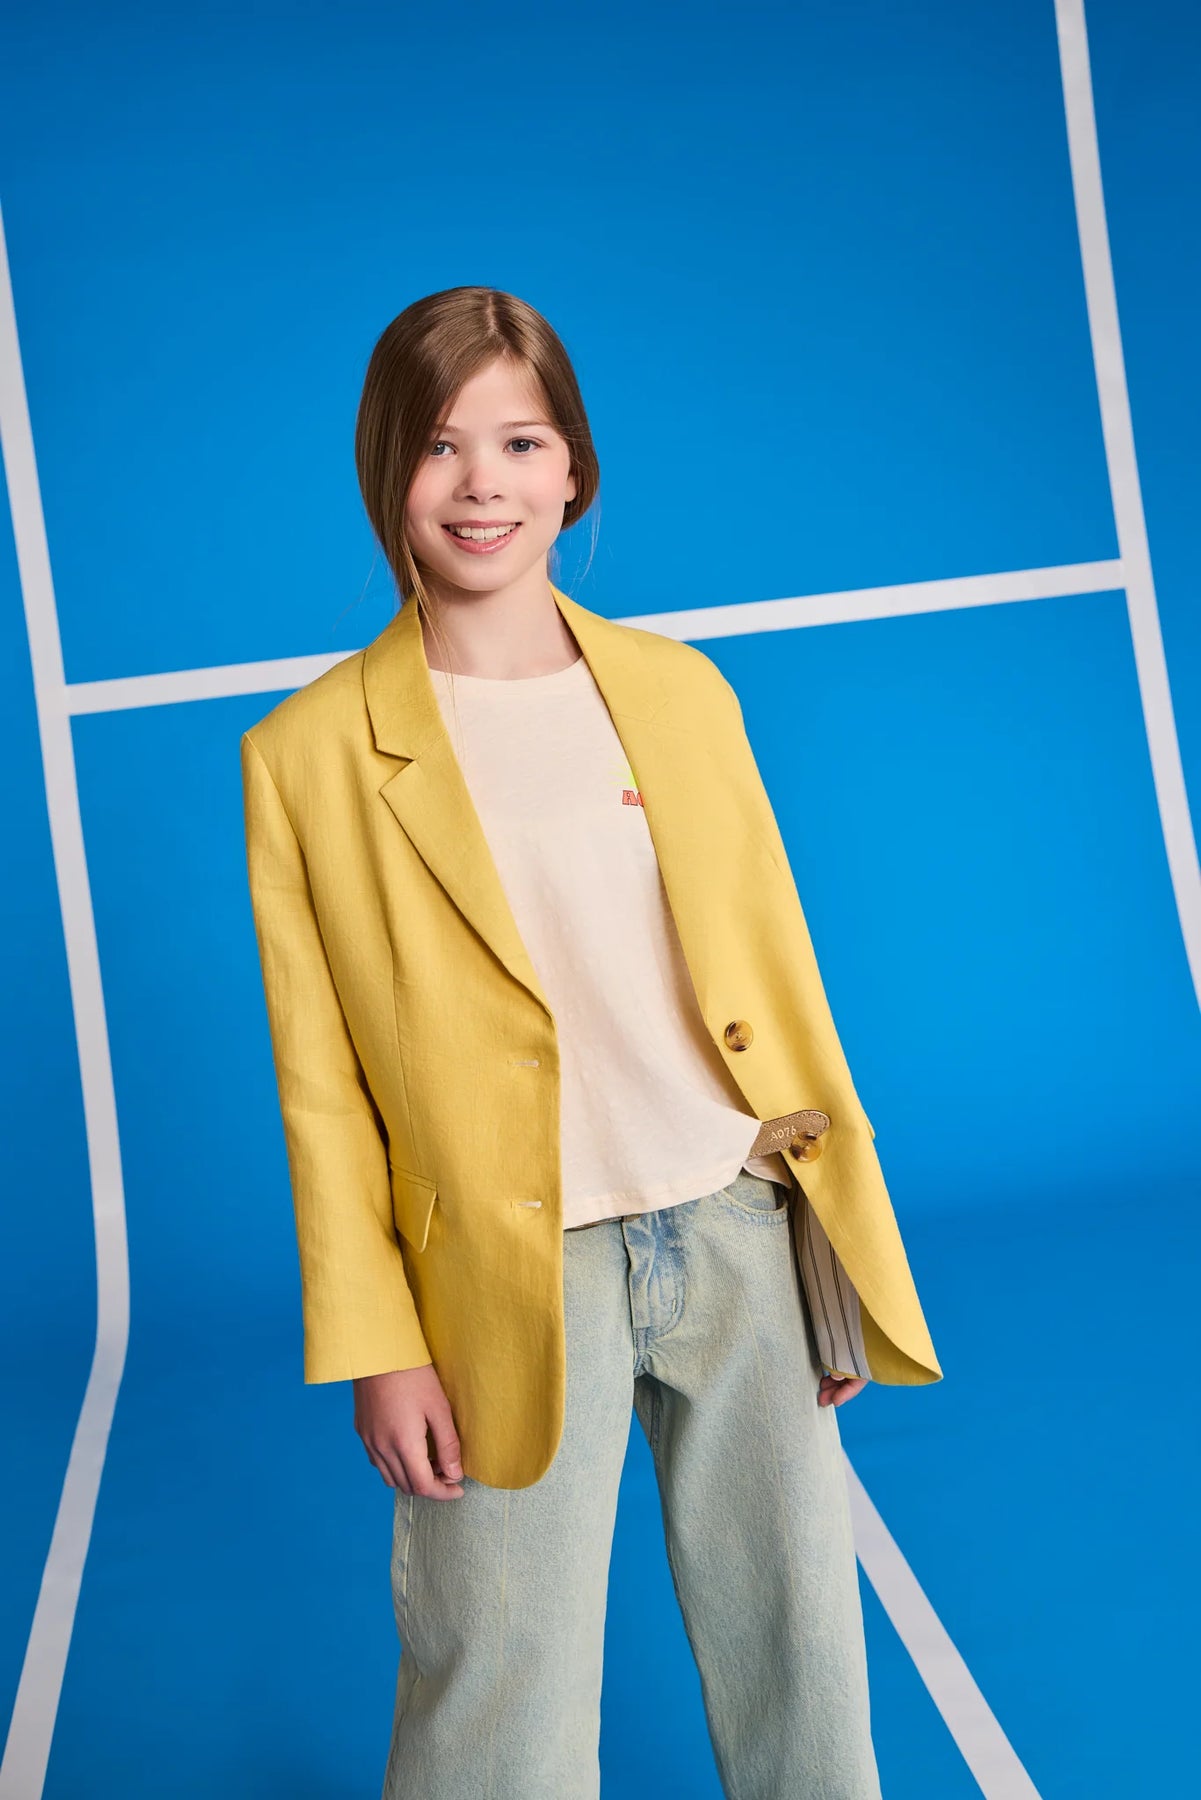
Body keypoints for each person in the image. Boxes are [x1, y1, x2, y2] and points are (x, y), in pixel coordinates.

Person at [240, 285, 942, 1800]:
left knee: (802, 1654)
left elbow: (778, 982)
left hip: (736, 1224)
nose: (479, 483)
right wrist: (378, 1345)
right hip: (507, 1273)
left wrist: (828, 1249)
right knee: (498, 1677)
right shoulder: (306, 756)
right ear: (385, 471)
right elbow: (323, 1091)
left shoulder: (681, 692)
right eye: (438, 445)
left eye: (518, 441)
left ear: (573, 469)